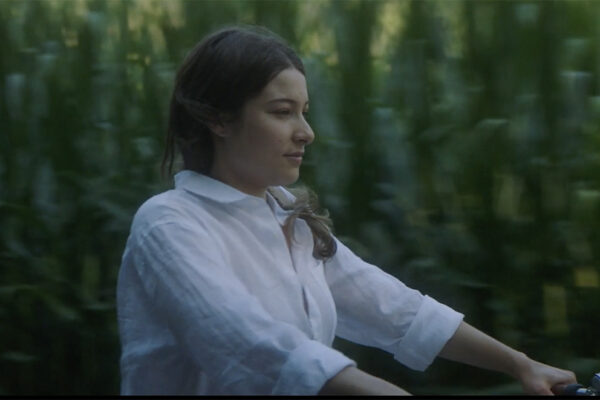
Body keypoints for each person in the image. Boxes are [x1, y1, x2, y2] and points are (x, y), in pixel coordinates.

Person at [116, 25, 576, 395]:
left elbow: (392, 308)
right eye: (282, 112)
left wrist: (521, 365)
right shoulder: (169, 224)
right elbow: (245, 341)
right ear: (218, 119)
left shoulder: (286, 214)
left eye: (304, 111)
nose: (306, 132)